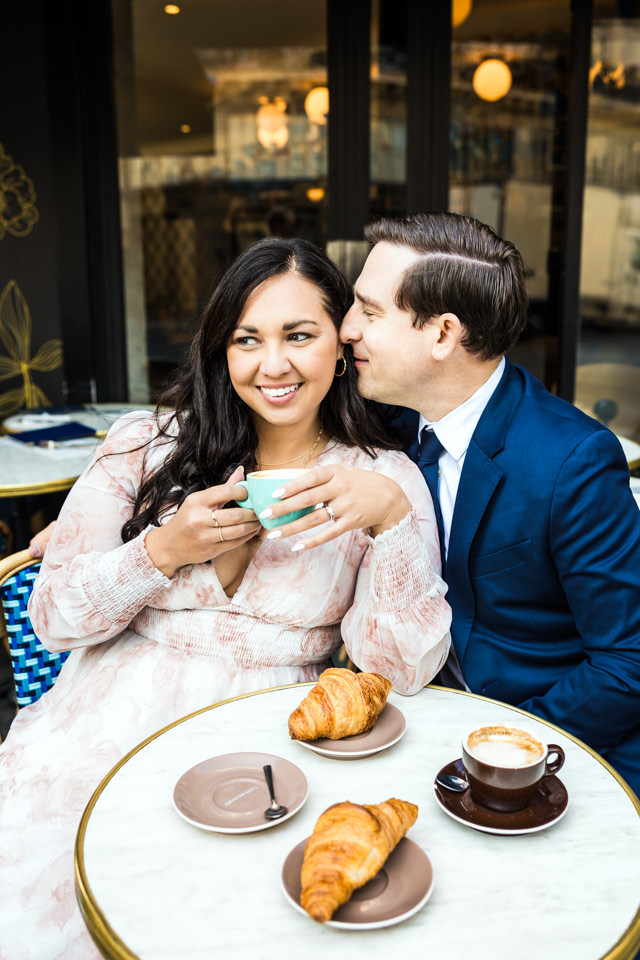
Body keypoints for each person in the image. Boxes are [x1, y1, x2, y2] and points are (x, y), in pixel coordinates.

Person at [0, 237, 450, 960]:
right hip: (106, 728)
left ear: (341, 344)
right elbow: (52, 618)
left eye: (299, 335)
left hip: (275, 744)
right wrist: (163, 550)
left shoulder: (383, 477)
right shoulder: (145, 445)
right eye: (249, 340)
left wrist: (390, 521)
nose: (274, 365)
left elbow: (400, 672)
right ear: (222, 351)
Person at [266, 212, 640, 800]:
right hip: (413, 718)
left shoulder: (573, 461)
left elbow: (628, 663)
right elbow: (263, 389)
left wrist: (497, 750)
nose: (346, 330)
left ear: (443, 334)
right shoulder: (386, 416)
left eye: (369, 311)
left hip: (545, 748)